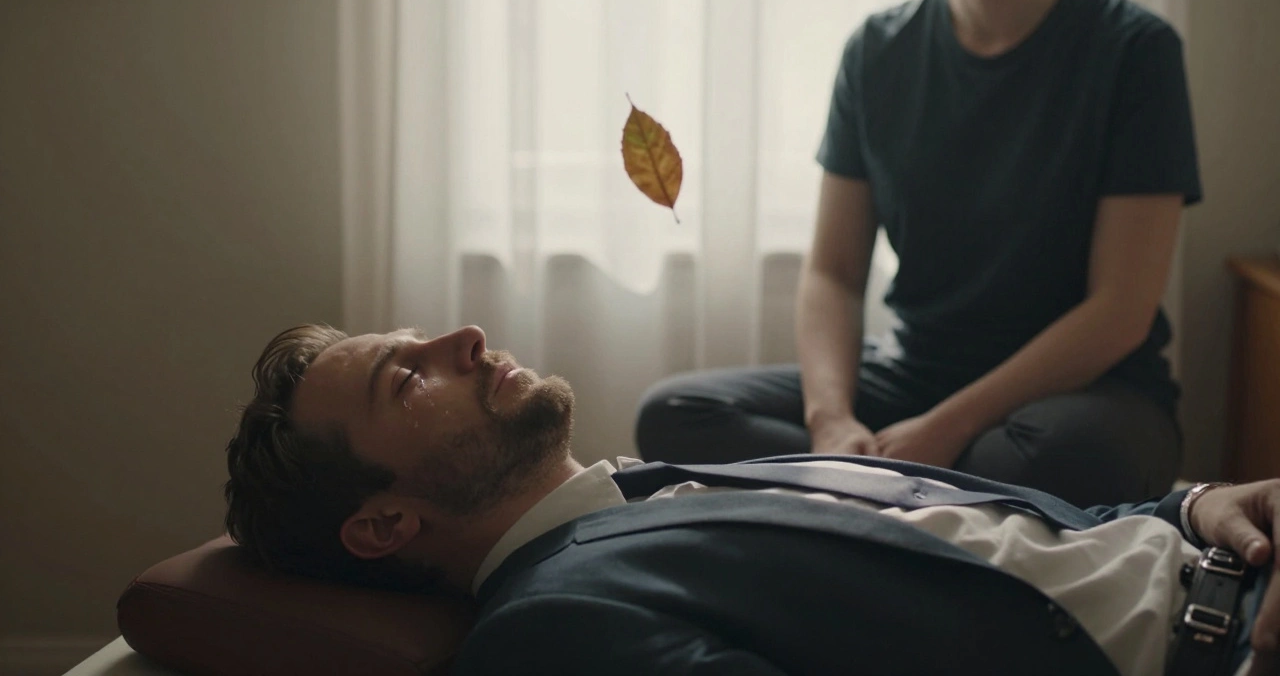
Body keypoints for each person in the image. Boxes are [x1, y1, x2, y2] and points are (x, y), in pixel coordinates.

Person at [226, 324, 1280, 676]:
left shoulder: (655, 487)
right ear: (381, 523)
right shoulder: (554, 627)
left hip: (1229, 549)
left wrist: (1195, 508)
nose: (456, 336)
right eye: (405, 379)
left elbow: (1027, 538)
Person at [634, 0, 1201, 508]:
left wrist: (946, 426)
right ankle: (898, 483)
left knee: (1059, 457)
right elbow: (834, 272)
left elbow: (1121, 311)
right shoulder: (877, 51)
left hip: (1087, 395)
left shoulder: (1135, 49)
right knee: (676, 412)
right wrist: (830, 421)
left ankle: (870, 486)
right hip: (917, 375)